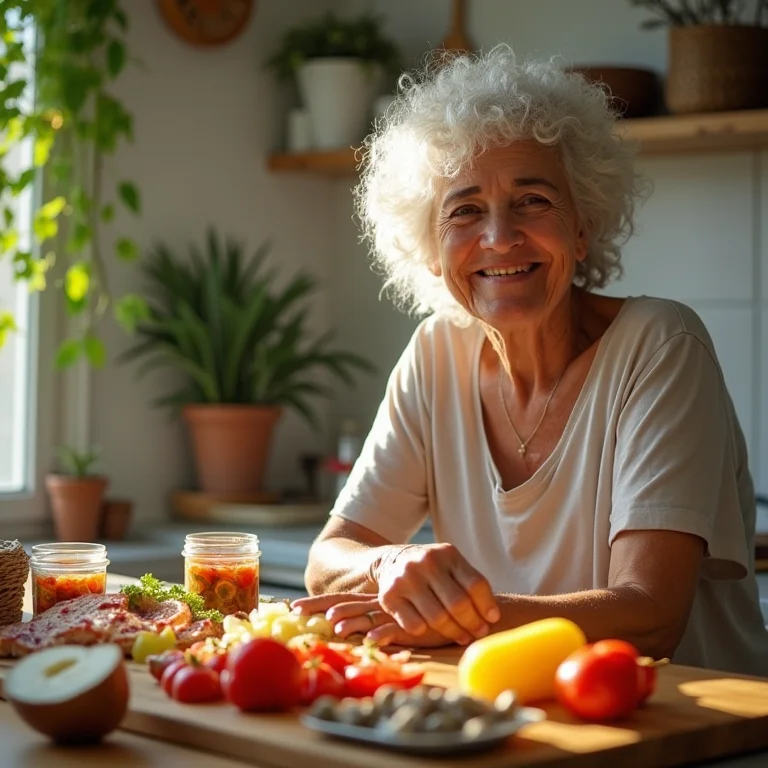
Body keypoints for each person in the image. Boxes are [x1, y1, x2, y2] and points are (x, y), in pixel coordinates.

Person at [293, 46, 768, 677]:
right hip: (525, 712)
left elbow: (652, 614)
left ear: (583, 226)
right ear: (432, 250)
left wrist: (459, 618)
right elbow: (329, 559)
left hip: (694, 722)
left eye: (534, 200)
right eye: (465, 210)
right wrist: (387, 564)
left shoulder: (661, 345)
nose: (499, 237)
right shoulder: (436, 352)